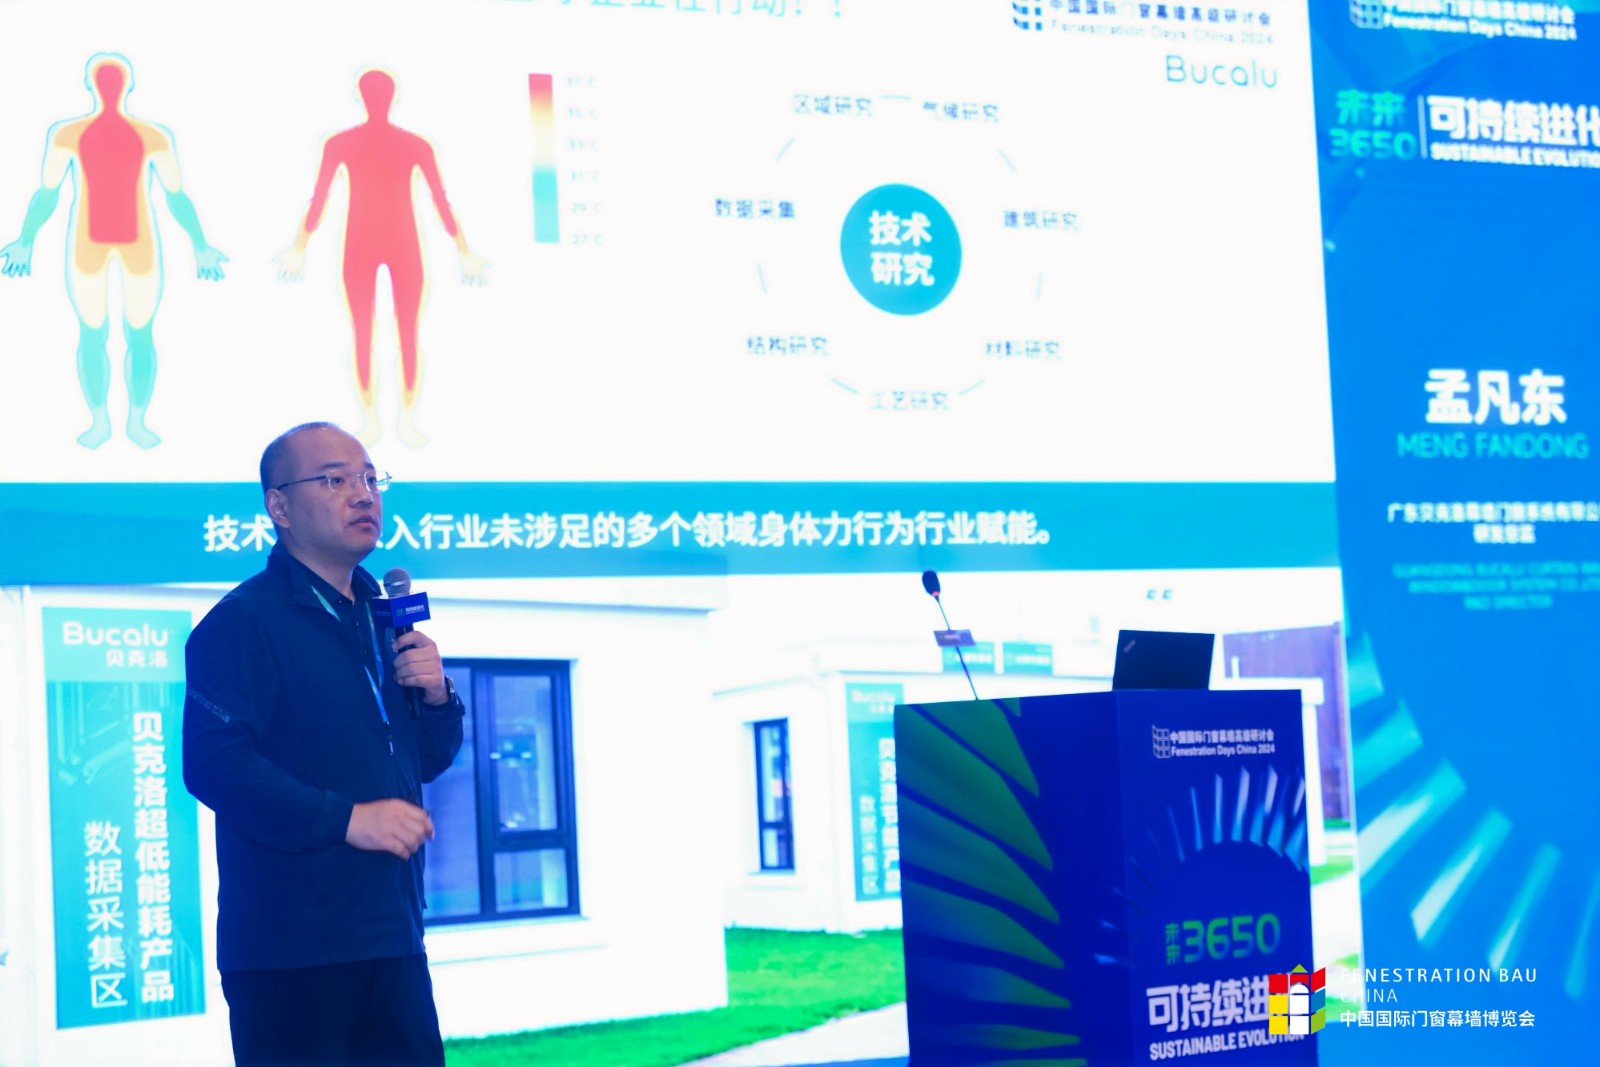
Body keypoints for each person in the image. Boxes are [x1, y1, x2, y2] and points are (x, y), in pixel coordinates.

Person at [183, 421, 465, 1066]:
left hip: (392, 934)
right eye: (335, 480)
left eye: (369, 478)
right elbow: (213, 763)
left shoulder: (381, 616)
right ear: (279, 507)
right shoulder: (242, 623)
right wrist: (346, 819)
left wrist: (437, 695)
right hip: (292, 953)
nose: (363, 494)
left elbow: (424, 760)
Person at [0, 53, 227, 450]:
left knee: (138, 333)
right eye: (103, 78)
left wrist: (200, 244)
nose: (109, 85)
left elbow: (176, 195)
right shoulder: (68, 134)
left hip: (138, 247)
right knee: (94, 332)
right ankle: (100, 421)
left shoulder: (152, 136)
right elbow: (47, 193)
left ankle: (136, 421)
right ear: (91, 85)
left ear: (127, 85)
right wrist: (25, 239)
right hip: (89, 247)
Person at [274, 70, 487, 449]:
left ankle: (396, 421)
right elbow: (320, 198)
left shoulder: (393, 144)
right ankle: (379, 422)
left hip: (384, 242)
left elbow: (439, 200)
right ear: (394, 97)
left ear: (361, 96)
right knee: (379, 332)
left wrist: (464, 251)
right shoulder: (377, 144)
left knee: (392, 332)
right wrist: (299, 246)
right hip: (378, 242)